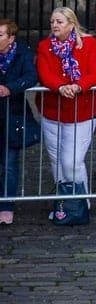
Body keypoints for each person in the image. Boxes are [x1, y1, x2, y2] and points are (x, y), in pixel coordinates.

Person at [37, 7, 96, 226]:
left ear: (71, 24)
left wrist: (78, 86)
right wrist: (60, 86)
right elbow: (44, 73)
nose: (54, 25)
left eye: (59, 21)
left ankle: (81, 202)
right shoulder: (45, 47)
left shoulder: (88, 44)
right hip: (53, 110)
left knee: (72, 161)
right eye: (52, 22)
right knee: (56, 160)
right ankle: (64, 204)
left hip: (82, 111)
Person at [0, 19, 39, 226]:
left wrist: (10, 88)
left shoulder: (22, 53)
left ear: (11, 38)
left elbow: (32, 77)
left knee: (9, 163)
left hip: (12, 114)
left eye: (0, 35)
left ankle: (6, 205)